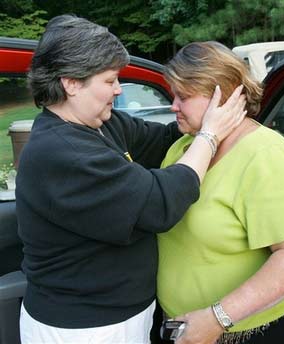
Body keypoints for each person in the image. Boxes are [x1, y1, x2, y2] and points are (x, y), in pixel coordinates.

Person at [16, 16, 246, 344]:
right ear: (71, 83)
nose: (118, 89)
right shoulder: (62, 152)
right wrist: (209, 136)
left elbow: (167, 139)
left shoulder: (101, 124)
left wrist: (204, 115)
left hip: (117, 318)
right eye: (109, 80)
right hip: (84, 329)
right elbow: (159, 204)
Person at [157, 41, 284, 344]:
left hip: (250, 333)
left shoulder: (266, 155)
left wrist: (216, 318)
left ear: (224, 96)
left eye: (184, 96)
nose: (173, 106)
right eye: (172, 94)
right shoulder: (184, 148)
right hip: (185, 329)